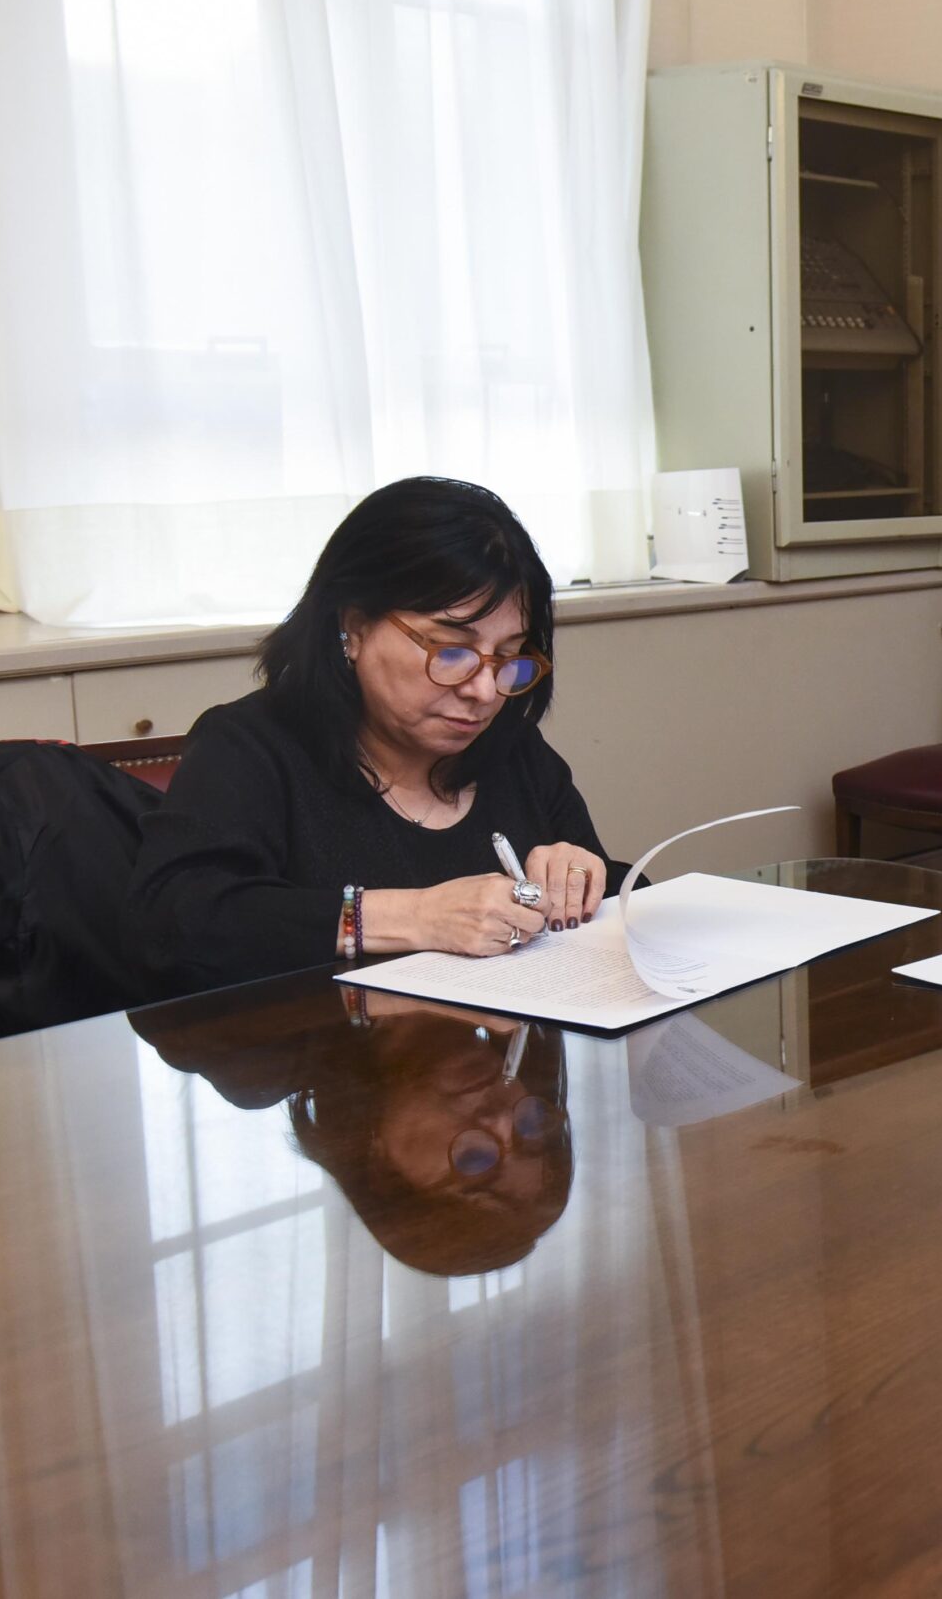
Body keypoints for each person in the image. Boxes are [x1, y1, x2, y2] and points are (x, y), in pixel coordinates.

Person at [133, 477, 615, 995]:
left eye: (507, 656)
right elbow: (176, 923)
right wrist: (414, 916)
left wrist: (584, 879)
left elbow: (621, 896)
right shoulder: (249, 747)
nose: (483, 691)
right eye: (451, 651)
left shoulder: (511, 749)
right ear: (355, 628)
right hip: (320, 1044)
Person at [134, 990, 574, 1277]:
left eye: (474, 1161)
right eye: (531, 1127)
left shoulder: (256, 1063)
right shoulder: (520, 983)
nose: (502, 1120)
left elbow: (156, 971)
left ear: (382, 1167)